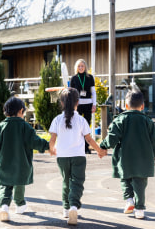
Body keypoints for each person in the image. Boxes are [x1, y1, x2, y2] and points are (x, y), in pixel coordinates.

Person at [48, 87, 107, 225]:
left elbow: (52, 139)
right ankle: (74, 206)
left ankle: (66, 208)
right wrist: (99, 151)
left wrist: (51, 149)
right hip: (78, 157)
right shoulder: (81, 120)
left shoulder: (57, 119)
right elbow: (89, 140)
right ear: (77, 102)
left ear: (62, 103)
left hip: (62, 157)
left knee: (66, 182)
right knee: (77, 182)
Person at [100, 90, 155, 219]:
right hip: (144, 159)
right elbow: (154, 140)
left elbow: (112, 138)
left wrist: (103, 146)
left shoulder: (120, 119)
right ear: (142, 106)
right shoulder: (148, 121)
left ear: (126, 106)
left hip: (125, 158)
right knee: (140, 184)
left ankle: (129, 200)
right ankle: (140, 209)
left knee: (125, 178)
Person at [0, 97, 49, 222]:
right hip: (21, 166)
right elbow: (35, 142)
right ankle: (20, 205)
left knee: (5, 186)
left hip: (4, 165)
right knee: (19, 184)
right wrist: (48, 146)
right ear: (21, 111)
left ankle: (4, 207)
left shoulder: (1, 127)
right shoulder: (26, 127)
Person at [70, 59, 96, 154]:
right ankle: (78, 147)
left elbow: (93, 92)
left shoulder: (90, 77)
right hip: (78, 105)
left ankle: (86, 147)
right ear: (76, 67)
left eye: (82, 66)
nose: (81, 68)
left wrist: (94, 104)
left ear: (85, 67)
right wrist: (72, 105)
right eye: (79, 66)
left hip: (88, 104)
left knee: (86, 126)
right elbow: (71, 93)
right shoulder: (74, 78)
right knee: (77, 126)